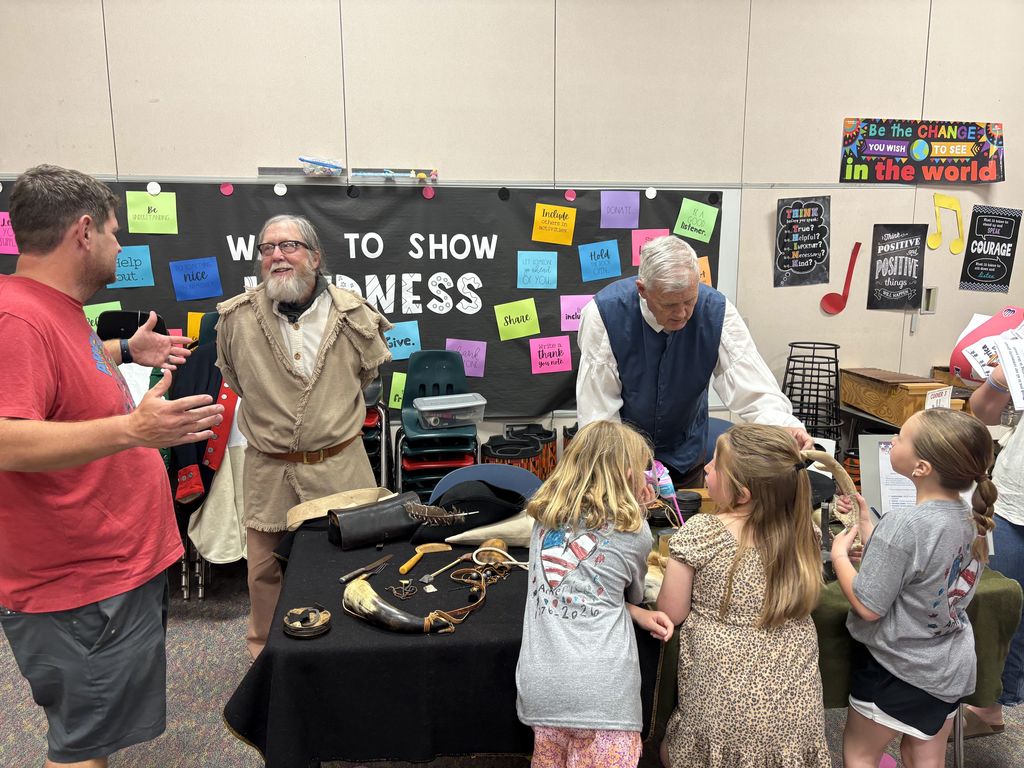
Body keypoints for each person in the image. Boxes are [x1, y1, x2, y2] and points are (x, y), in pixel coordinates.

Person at [0, 164, 224, 768]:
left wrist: (123, 350)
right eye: (114, 233)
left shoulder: (54, 309)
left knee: (92, 736)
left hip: (108, 573)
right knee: (79, 750)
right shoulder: (16, 317)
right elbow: (4, 438)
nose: (120, 246)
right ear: (83, 232)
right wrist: (134, 430)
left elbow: (55, 374)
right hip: (77, 588)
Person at [216, 214, 392, 659]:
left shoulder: (356, 316)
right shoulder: (235, 320)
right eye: (267, 248)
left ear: (315, 257)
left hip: (341, 467)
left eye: (289, 246)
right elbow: (237, 381)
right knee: (263, 573)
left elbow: (365, 376)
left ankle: (345, 655)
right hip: (268, 471)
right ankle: (268, 661)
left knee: (351, 566)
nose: (277, 255)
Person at [576, 235, 812, 489]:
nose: (681, 314)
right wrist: (620, 470)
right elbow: (598, 412)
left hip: (686, 460)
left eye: (689, 301)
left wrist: (783, 426)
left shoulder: (717, 311)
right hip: (623, 465)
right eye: (669, 304)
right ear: (642, 290)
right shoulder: (604, 314)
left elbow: (752, 386)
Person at [831, 408, 997, 768]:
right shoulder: (975, 518)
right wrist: (868, 525)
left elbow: (868, 605)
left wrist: (839, 556)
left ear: (921, 468)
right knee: (924, 753)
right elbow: (925, 569)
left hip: (897, 666)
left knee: (861, 753)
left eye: (901, 437)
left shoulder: (905, 524)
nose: (892, 441)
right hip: (947, 665)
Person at [656, 423, 829, 767]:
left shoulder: (702, 532)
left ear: (744, 493)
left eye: (715, 465)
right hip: (793, 725)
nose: (705, 468)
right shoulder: (803, 530)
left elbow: (670, 612)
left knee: (669, 752)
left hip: (719, 711)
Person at [515, 420, 673, 768]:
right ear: (630, 474)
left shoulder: (544, 521)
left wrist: (636, 613)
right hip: (604, 695)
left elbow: (590, 592)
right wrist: (642, 510)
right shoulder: (635, 531)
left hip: (544, 688)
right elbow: (630, 590)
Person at [964, 363, 1021, 737]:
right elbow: (984, 412)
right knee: (998, 608)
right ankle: (988, 707)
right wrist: (1000, 378)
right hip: (1014, 502)